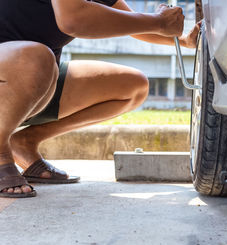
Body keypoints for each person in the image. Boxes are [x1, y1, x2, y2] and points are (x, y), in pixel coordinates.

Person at [0, 0, 200, 198]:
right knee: (36, 58)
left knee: (133, 86)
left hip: (34, 80)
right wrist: (158, 22)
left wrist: (183, 41)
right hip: (20, 67)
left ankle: (24, 142)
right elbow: (73, 19)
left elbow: (130, 22)